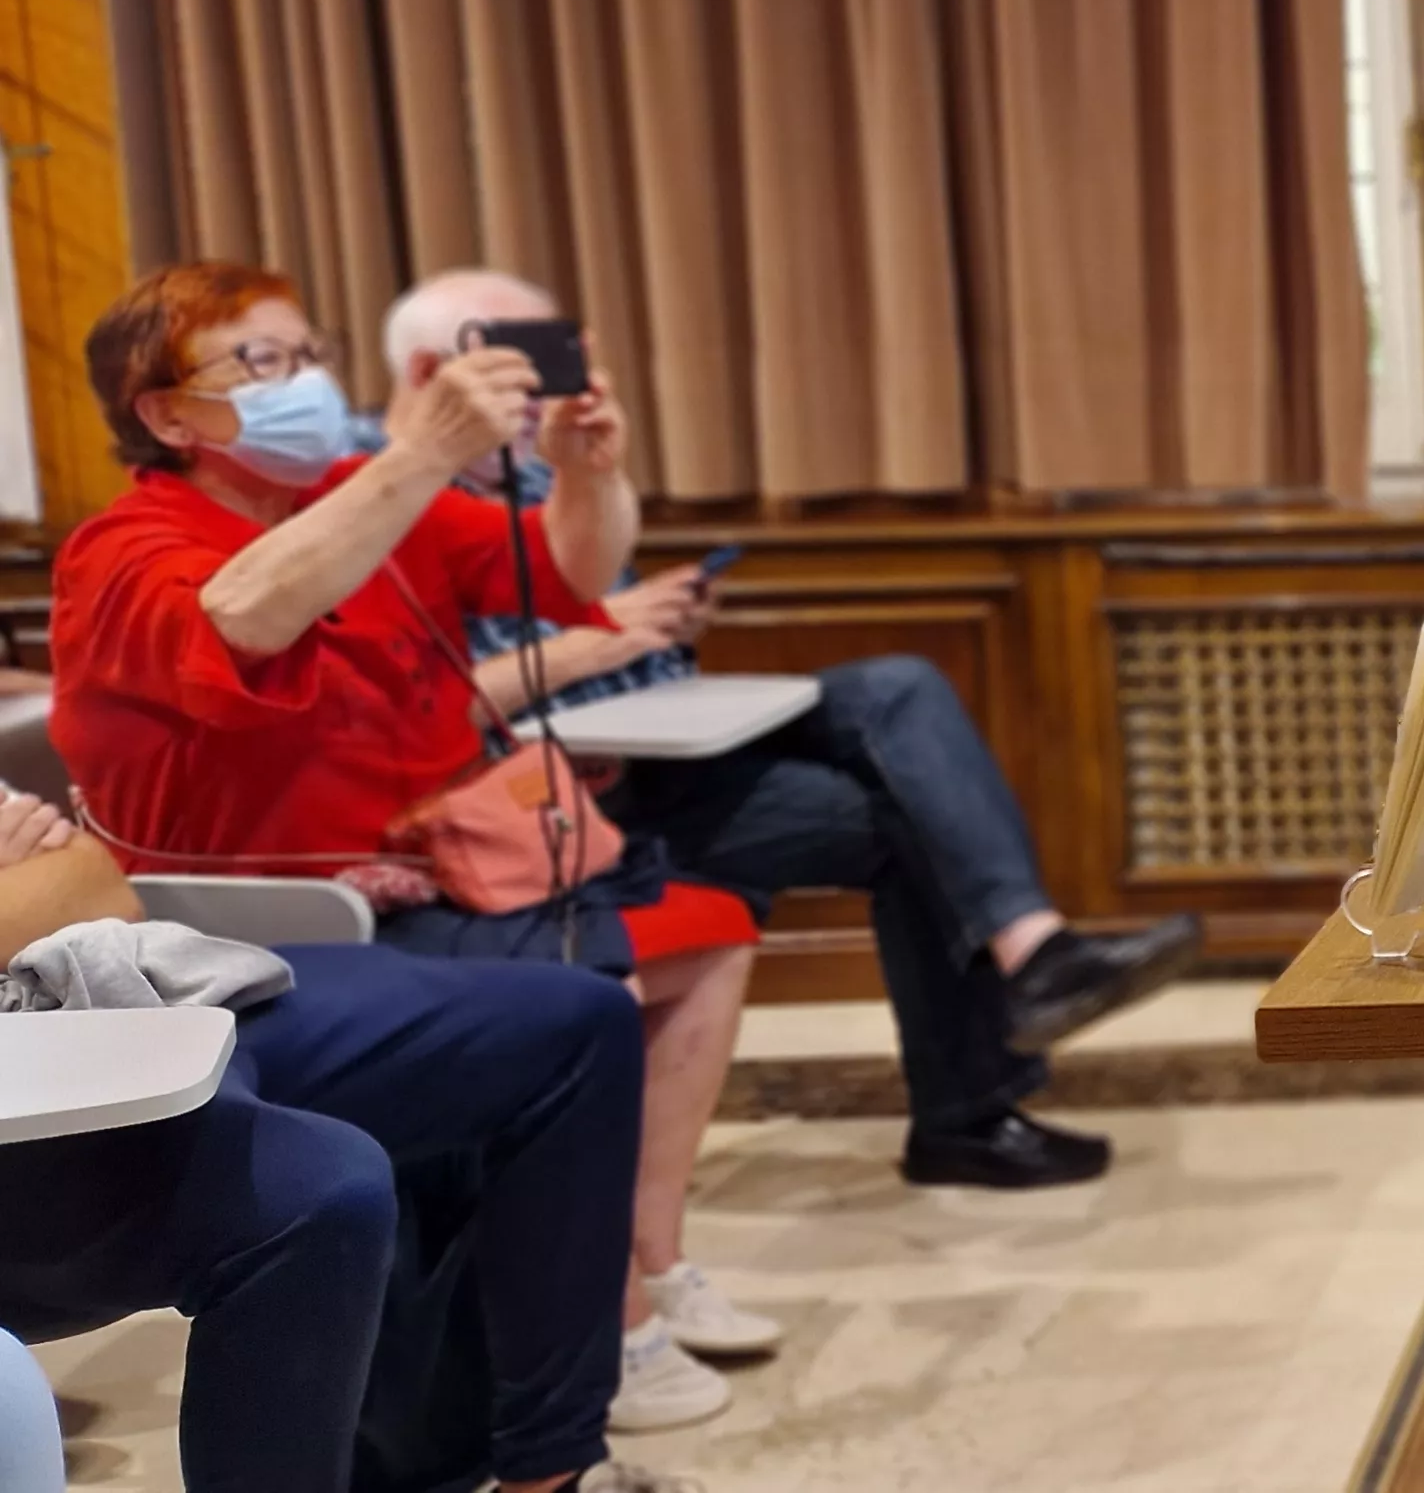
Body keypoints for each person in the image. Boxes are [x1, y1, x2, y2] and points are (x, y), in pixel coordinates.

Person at [50, 261, 763, 1429]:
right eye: (260, 362)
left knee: (711, 928)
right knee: (590, 994)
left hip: (443, 861)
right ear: (169, 415)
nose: (302, 382)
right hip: (269, 915)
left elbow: (569, 571)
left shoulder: (360, 487)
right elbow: (243, 613)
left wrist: (592, 470)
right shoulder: (120, 547)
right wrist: (418, 455)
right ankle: (598, 1336)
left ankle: (645, 1259)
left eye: (307, 354)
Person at [369, 272, 1203, 1191]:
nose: (542, 396)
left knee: (899, 692)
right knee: (909, 813)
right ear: (429, 370)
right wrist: (595, 644)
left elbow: (595, 601)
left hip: (659, 743)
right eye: (521, 368)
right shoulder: (370, 499)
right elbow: (420, 706)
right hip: (543, 806)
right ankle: (979, 1091)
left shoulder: (538, 475)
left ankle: (1030, 957)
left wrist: (644, 595)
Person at [0, 790, 687, 1493]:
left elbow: (101, 883)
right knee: (323, 1193)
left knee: (578, 1023)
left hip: (154, 987)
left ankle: (552, 1470)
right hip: (37, 1082)